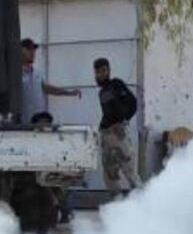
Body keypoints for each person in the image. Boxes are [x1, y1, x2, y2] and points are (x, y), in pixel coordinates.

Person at [93, 57, 142, 194]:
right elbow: (108, 113)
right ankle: (116, 205)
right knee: (110, 173)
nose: (100, 75)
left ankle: (145, 204)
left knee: (129, 170)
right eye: (97, 72)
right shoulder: (101, 93)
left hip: (119, 136)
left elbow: (133, 103)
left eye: (103, 71)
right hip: (106, 136)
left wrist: (123, 121)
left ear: (108, 71)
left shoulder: (116, 84)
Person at [31, 111, 73, 234]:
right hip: (36, 175)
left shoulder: (58, 139)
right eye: (41, 124)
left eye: (46, 124)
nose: (44, 127)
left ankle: (63, 215)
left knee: (58, 189)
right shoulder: (29, 140)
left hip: (53, 174)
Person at [21, 38, 81, 123]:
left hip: (39, 123)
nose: (32, 53)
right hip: (23, 124)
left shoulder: (38, 73)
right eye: (29, 49)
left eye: (33, 50)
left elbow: (47, 88)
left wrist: (70, 92)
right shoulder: (14, 75)